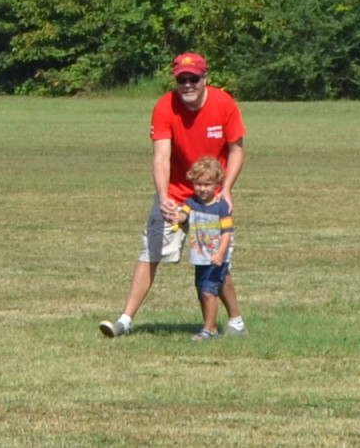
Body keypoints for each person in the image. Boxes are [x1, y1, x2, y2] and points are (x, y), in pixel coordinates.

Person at [99, 53, 248, 338]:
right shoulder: (165, 106)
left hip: (211, 196)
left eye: (194, 78)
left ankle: (235, 321)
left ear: (205, 78)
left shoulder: (223, 103)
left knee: (215, 261)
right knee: (150, 252)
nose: (188, 84)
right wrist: (163, 196)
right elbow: (161, 156)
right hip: (176, 194)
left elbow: (236, 149)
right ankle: (124, 322)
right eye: (182, 79)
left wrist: (226, 188)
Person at [176, 157, 234, 340]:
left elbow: (227, 232)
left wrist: (221, 253)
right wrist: (176, 217)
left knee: (209, 292)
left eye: (207, 184)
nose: (202, 188)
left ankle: (208, 329)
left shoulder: (221, 207)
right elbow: (182, 215)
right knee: (202, 293)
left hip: (216, 258)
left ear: (217, 184)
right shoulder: (191, 203)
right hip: (200, 257)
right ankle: (211, 328)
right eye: (198, 184)